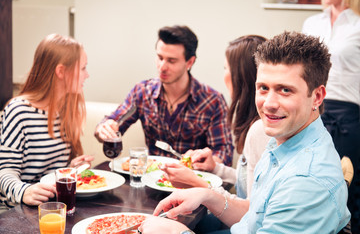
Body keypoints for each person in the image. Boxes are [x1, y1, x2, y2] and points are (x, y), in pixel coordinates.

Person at [138, 31, 351, 234]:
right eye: (263, 88)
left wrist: (179, 232)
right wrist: (207, 195)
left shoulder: (305, 181)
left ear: (317, 96)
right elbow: (254, 217)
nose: (269, 104)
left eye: (285, 90)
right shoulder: (285, 140)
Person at [94, 25, 233, 166]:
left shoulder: (212, 101)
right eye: (160, 58)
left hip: (192, 180)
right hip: (149, 177)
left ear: (190, 62)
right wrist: (104, 129)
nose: (162, 67)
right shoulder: (142, 92)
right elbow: (114, 122)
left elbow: (223, 151)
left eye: (171, 61)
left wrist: (209, 161)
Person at [159, 35, 270, 200]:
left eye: (226, 68)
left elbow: (252, 212)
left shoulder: (261, 130)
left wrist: (197, 182)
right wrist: (215, 168)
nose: (162, 66)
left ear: (241, 77)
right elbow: (248, 183)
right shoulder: (256, 123)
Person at [0, 34, 93, 209]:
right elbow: (4, 171)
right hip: (17, 210)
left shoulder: (64, 109)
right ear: (61, 71)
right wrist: (25, 191)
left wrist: (70, 168)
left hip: (51, 208)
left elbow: (49, 173)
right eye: (83, 68)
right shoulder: (18, 111)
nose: (87, 75)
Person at [302, 0, 360, 231]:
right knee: (312, 183)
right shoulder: (312, 23)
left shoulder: (358, 23)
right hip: (313, 110)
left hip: (349, 114)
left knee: (349, 189)